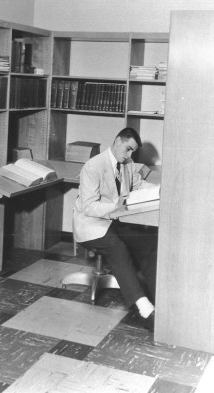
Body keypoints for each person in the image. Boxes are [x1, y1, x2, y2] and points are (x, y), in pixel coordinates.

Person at [73, 127, 157, 330]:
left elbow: (137, 185)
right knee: (117, 249)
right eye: (128, 149)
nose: (129, 155)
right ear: (118, 141)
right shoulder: (93, 166)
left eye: (132, 152)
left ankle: (160, 298)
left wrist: (157, 191)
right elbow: (89, 207)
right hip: (91, 223)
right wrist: (116, 207)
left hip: (114, 221)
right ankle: (144, 308)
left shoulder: (126, 163)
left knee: (149, 242)